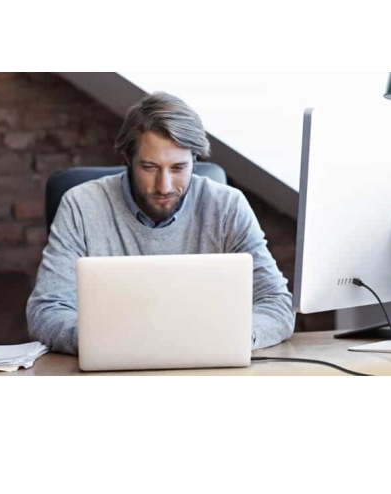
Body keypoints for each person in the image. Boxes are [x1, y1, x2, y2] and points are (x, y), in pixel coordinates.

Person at [26, 91, 295, 355]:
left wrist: (232, 338)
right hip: (114, 364)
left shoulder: (227, 206)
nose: (164, 186)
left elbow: (276, 302)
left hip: (205, 361)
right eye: (149, 167)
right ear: (127, 158)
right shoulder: (81, 206)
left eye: (178, 168)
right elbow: (46, 310)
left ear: (194, 160)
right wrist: (108, 342)